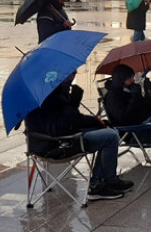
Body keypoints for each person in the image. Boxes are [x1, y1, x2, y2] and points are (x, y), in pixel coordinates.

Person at [24, 73, 133, 201]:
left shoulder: (56, 91)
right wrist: (73, 103)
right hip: (56, 146)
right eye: (71, 74)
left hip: (64, 139)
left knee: (107, 131)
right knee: (110, 137)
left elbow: (74, 119)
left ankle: (105, 180)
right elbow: (56, 129)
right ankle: (98, 185)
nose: (73, 76)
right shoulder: (46, 98)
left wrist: (98, 122)